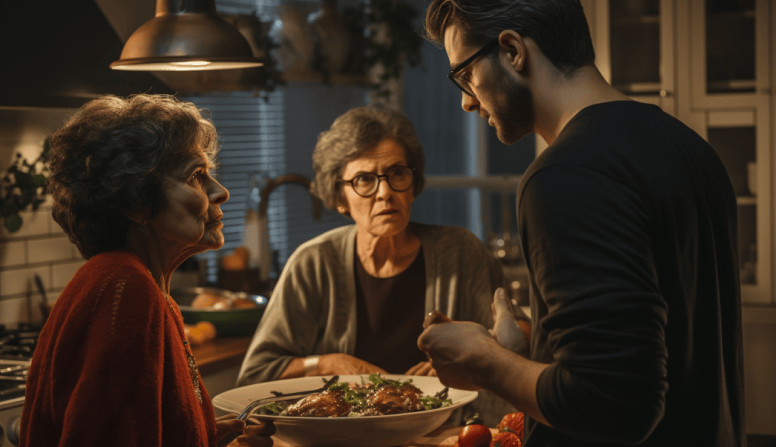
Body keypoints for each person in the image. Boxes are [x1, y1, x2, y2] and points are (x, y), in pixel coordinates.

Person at [417, 1, 744, 447]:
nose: (466, 100)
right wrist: (531, 355)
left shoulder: (566, 175)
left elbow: (616, 403)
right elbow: (663, 353)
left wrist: (486, 363)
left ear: (513, 50)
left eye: (465, 74)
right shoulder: (690, 148)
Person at [236, 105, 518, 424]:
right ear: (339, 197)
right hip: (341, 442)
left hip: (443, 435)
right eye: (364, 179)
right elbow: (254, 377)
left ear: (413, 183)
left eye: (397, 172)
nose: (384, 192)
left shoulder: (462, 252)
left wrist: (463, 363)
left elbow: (513, 355)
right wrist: (331, 363)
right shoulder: (313, 263)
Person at [20, 94, 274, 447]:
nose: (222, 192)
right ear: (137, 203)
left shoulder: (144, 287)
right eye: (196, 176)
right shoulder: (125, 290)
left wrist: (212, 437)